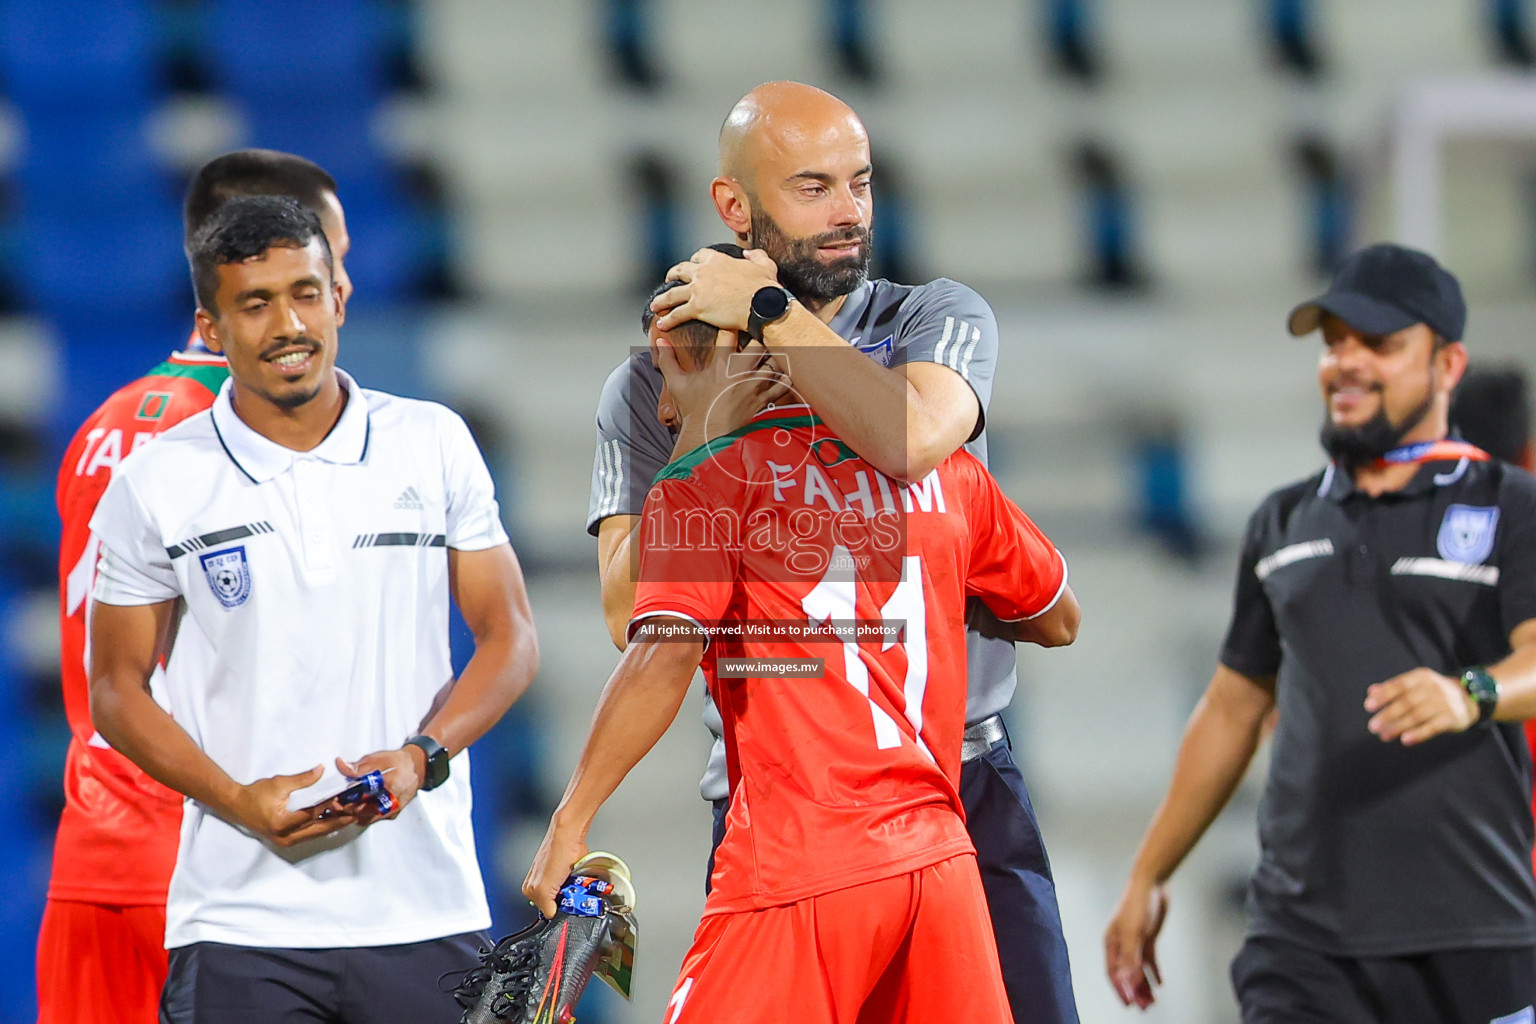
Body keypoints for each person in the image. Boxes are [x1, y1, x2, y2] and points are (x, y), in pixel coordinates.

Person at [588, 80, 1082, 1024]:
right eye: (812, 187)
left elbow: (914, 438)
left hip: (962, 785)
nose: (849, 210)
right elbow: (628, 615)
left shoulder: (933, 319)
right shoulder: (653, 379)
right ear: (733, 207)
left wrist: (771, 312)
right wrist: (702, 434)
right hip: (777, 803)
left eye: (860, 182)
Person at [86, 195, 539, 1023]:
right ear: (212, 329)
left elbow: (510, 638)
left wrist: (421, 757)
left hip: (427, 910)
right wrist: (238, 800)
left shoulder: (431, 440)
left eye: (304, 292)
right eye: (254, 304)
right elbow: (115, 688)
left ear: (340, 296)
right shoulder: (157, 480)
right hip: (237, 924)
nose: (287, 323)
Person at [1104, 243, 1536, 1023]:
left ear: (1448, 365)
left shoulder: (1511, 502)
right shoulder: (1281, 520)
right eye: (1335, 341)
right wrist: (1150, 874)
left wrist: (1469, 691)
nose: (1346, 363)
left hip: (1475, 934)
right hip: (1300, 942)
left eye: (1380, 344)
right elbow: (1233, 708)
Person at [38, 149, 353, 1024]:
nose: (337, 290)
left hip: (93, 863)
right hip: (221, 872)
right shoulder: (266, 438)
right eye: (331, 260)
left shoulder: (105, 425)